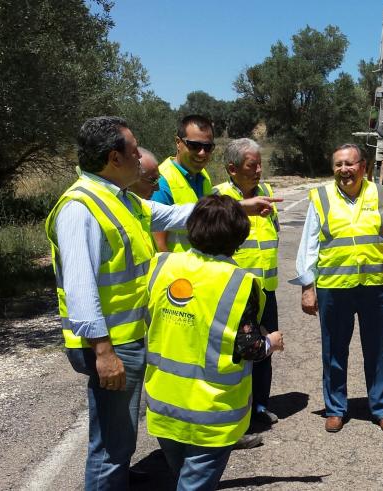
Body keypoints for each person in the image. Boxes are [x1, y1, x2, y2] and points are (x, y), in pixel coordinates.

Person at [45, 116, 278, 490]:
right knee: (108, 443)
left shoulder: (120, 199)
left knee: (120, 435)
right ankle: (109, 478)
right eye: (134, 150)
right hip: (110, 342)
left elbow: (174, 215)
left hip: (127, 335)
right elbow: (79, 287)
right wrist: (103, 351)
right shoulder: (81, 208)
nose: (141, 157)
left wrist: (241, 207)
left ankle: (119, 474)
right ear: (113, 158)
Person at [144, 194, 284, 490]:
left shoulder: (162, 265)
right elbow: (250, 347)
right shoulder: (240, 282)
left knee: (181, 475)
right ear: (239, 238)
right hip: (211, 410)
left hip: (165, 402)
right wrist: (271, 341)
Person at [290, 143, 383, 434]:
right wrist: (307, 287)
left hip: (376, 287)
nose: (344, 170)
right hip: (334, 287)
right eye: (338, 164)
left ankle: (382, 409)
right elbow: (309, 244)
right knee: (334, 351)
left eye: (349, 164)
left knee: (379, 350)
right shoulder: (321, 197)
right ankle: (336, 408)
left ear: (364, 167)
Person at [214, 138, 281, 433]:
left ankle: (260, 407)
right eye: (251, 165)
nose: (258, 170)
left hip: (266, 289)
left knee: (265, 350)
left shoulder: (267, 192)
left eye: (259, 164)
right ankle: (233, 413)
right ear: (232, 168)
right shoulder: (219, 197)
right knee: (237, 353)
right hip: (234, 292)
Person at [151, 114, 216, 252]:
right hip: (179, 272)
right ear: (178, 142)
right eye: (194, 145)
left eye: (208, 147)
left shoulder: (204, 176)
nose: (202, 153)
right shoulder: (162, 180)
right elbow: (159, 245)